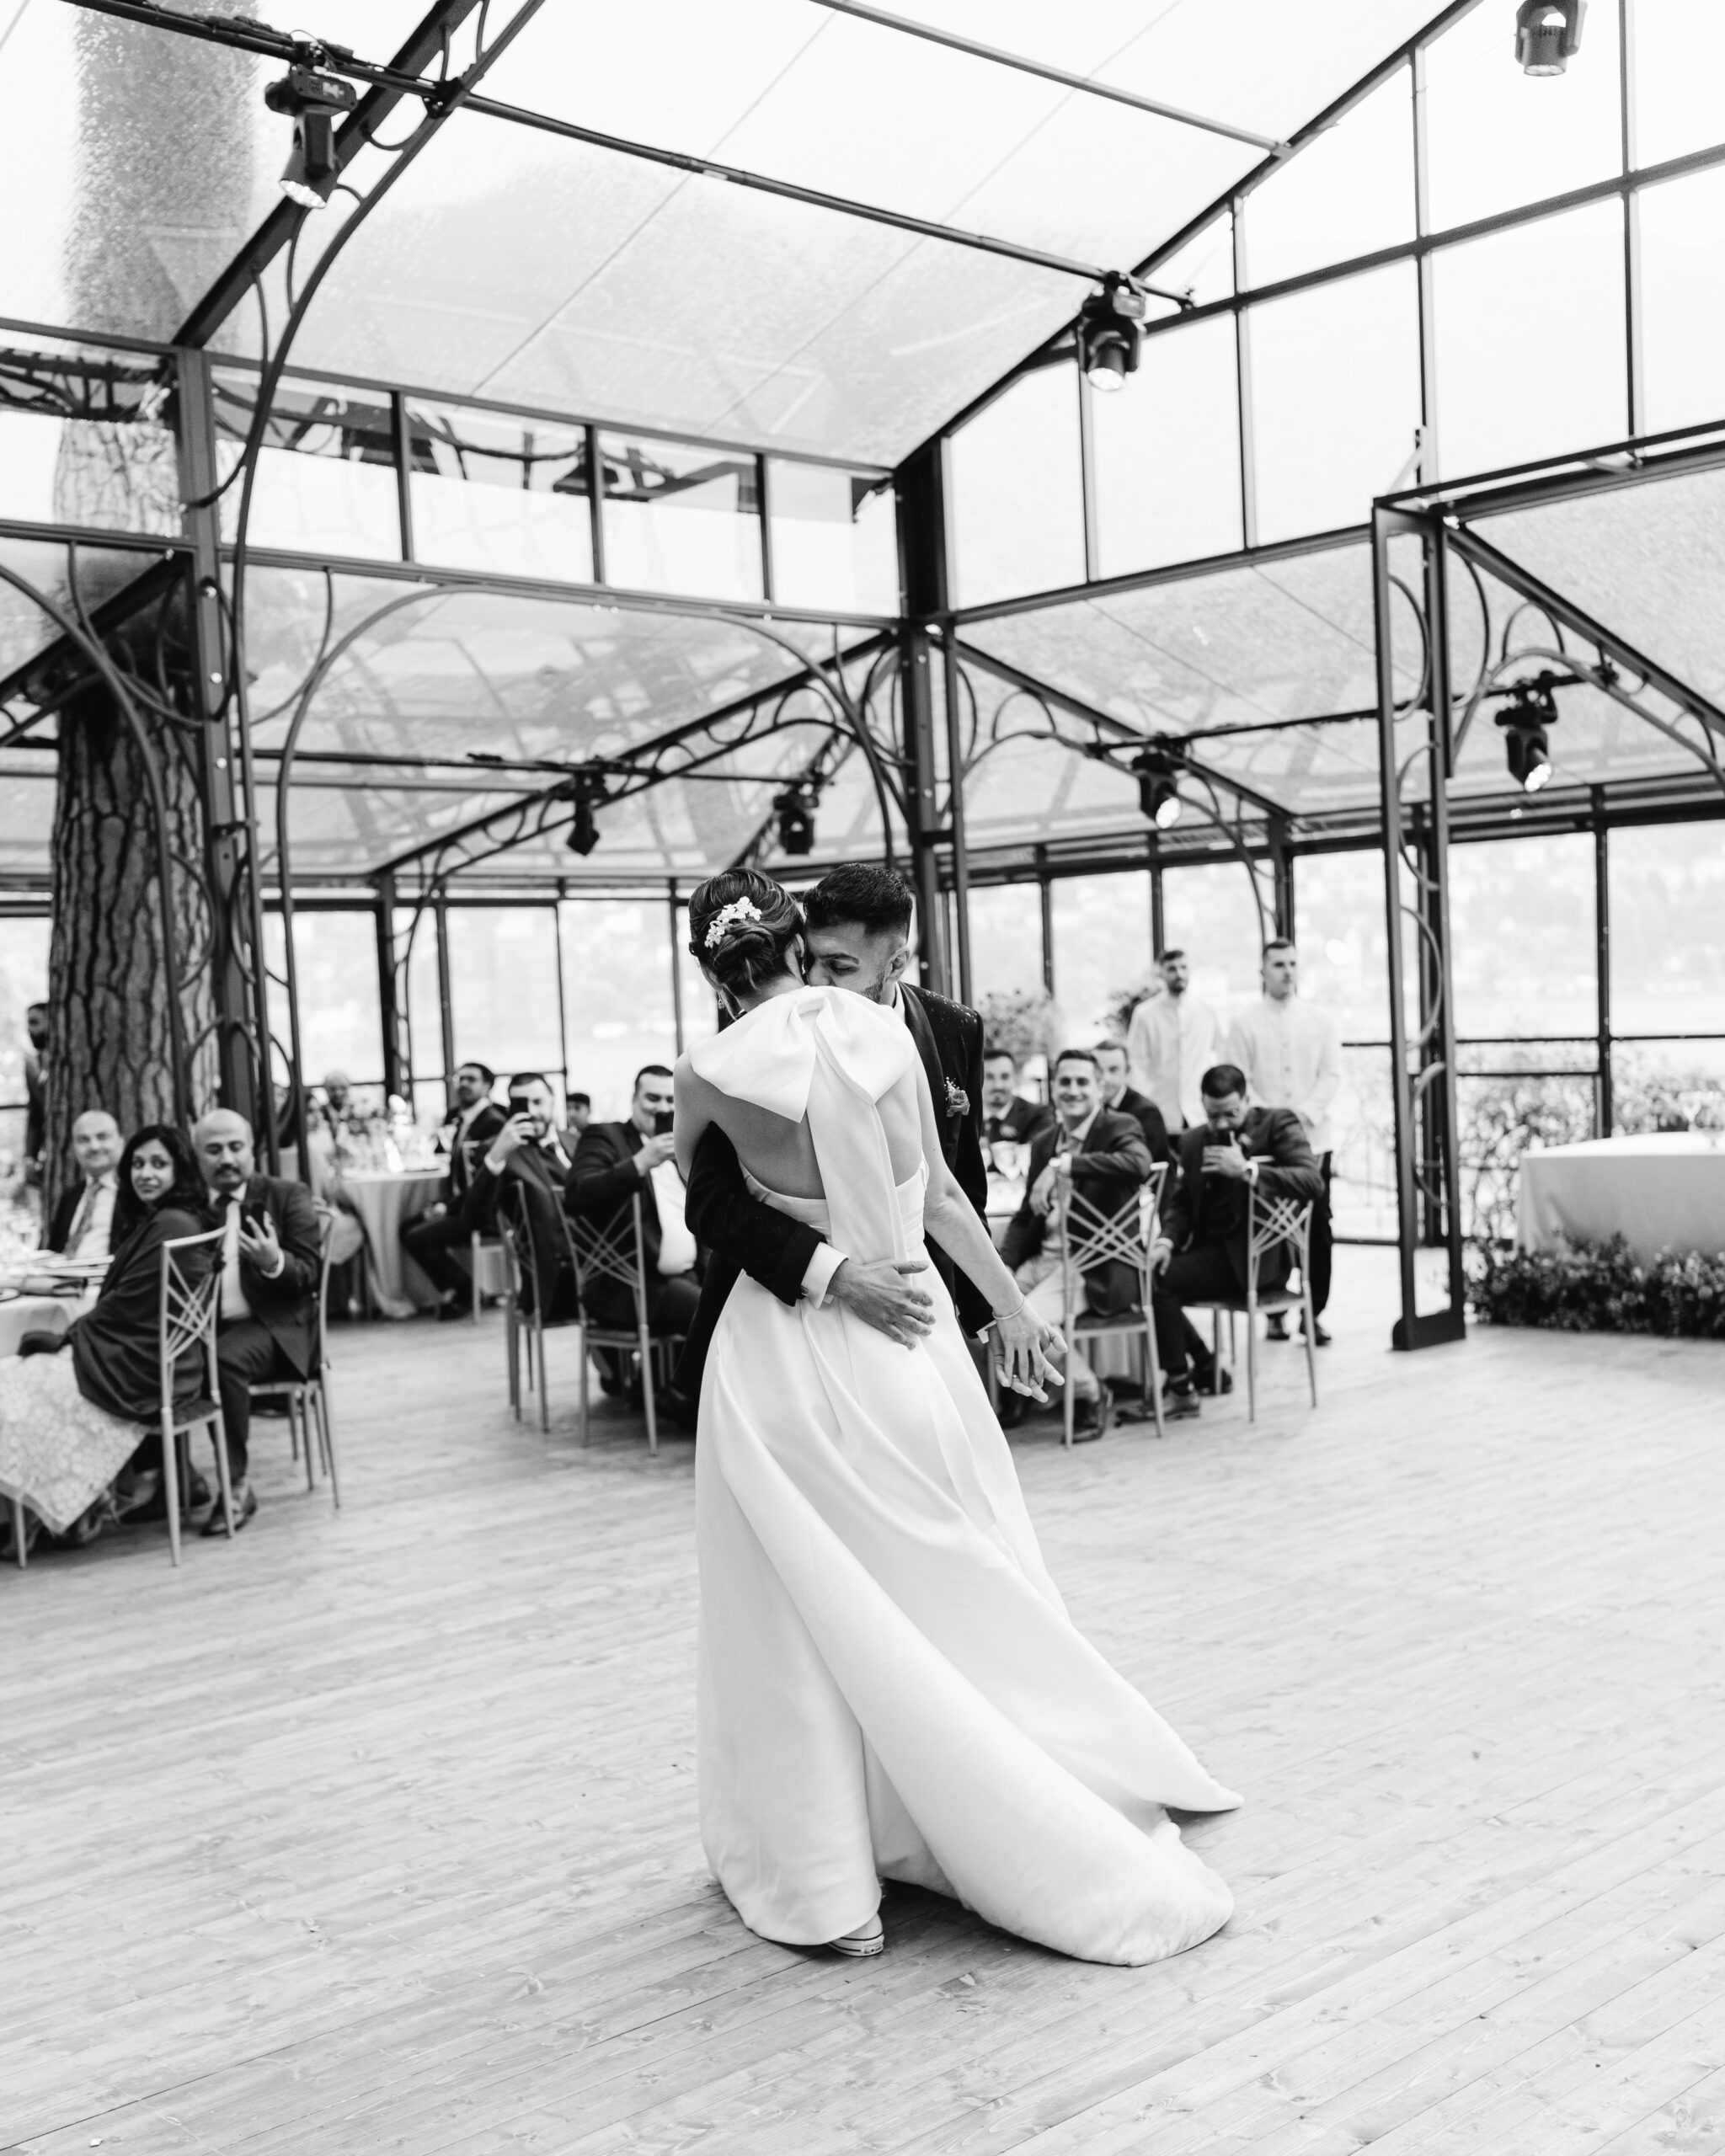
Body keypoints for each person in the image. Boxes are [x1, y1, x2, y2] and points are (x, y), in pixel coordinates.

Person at [672, 869, 1237, 1966]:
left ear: (708, 966)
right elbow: (935, 1200)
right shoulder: (885, 1037)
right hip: (911, 1340)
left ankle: (828, 1871)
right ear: (801, 942)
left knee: (788, 1617)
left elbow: (714, 1216)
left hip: (775, 1364)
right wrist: (1018, 1308)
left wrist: (820, 1265)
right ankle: (1019, 1775)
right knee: (955, 1568)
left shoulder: (703, 1076)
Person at [676, 862, 991, 1401]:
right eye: (816, 961)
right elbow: (709, 1203)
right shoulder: (724, 1065)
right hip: (787, 1307)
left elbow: (957, 1180)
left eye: (840, 965)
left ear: (894, 963)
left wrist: (991, 1308)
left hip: (918, 1301)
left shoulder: (950, 1026)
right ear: (797, 947)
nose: (821, 981)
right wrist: (835, 1275)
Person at [0, 1124, 216, 1559]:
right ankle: (47, 1516)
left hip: (140, 1369)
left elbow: (131, 1310)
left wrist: (66, 1337)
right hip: (159, 1358)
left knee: (11, 1390)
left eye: (159, 1164)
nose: (146, 1174)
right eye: (138, 1164)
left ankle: (28, 1522)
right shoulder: (170, 1218)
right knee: (15, 1376)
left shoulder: (170, 1224)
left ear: (180, 1169)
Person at [1150, 1064, 1323, 1419]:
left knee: (1157, 1283)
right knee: (1148, 1270)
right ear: (1201, 1105)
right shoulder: (1194, 1140)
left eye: (1232, 1113)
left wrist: (1247, 1170)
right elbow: (1181, 1202)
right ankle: (1205, 1365)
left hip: (1260, 1261)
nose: (1222, 1124)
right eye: (1213, 1116)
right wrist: (1166, 1240)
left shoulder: (1277, 1124)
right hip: (1208, 1254)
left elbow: (1311, 1181)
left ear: (1247, 1099)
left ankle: (1184, 1386)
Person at [998, 1048, 1156, 1440]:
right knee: (987, 1304)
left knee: (1032, 1322)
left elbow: (1138, 1166)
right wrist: (1001, 1265)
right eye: (1064, 1082)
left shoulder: (1119, 1127)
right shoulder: (1045, 1140)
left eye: (1082, 1081)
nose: (1072, 1090)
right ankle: (1028, 1391)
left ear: (1100, 1087)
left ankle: (1090, 1393)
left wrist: (1065, 1166)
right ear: (1053, 1090)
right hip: (1044, 1258)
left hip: (1092, 1264)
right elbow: (1025, 1214)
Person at [195, 1107, 323, 1534]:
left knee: (222, 1360)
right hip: (204, 1327)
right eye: (214, 1150)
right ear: (198, 1157)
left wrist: (274, 1263)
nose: (226, 1158)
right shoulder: (192, 1206)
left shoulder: (287, 1195)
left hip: (273, 1326)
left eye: (235, 1147)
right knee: (151, 1357)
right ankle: (162, 1482)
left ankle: (235, 1487)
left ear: (252, 1150)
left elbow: (310, 1273)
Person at [1226, 940, 1343, 1346]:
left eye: (1293, 963)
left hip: (1315, 1142)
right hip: (1264, 1148)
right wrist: (1274, 1124)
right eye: (1278, 964)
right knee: (1270, 1230)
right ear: (1263, 971)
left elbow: (1331, 1075)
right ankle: (1274, 1312)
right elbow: (1238, 1084)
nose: (1287, 971)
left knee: (1318, 1229)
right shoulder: (1243, 1023)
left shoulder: (1321, 1019)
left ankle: (1314, 1313)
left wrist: (1300, 1116)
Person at [568, 1066, 703, 1403]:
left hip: (689, 1273)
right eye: (652, 1098)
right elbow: (578, 1194)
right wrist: (640, 1162)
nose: (661, 1108)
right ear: (633, 1100)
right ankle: (679, 1400)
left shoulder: (685, 1144)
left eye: (671, 1099)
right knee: (711, 1314)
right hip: (635, 1282)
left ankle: (671, 1390)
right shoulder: (605, 1137)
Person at [460, 1072, 576, 1321]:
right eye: (522, 1104)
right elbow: (474, 1219)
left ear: (553, 1101)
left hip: (613, 1267)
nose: (532, 1112)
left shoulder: (578, 1142)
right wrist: (498, 1153)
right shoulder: (501, 1151)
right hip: (555, 1278)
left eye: (538, 1102)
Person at [401, 1061, 506, 1320]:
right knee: (406, 1227)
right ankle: (457, 1289)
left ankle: (464, 1291)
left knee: (417, 1237)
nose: (464, 1085)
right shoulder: (459, 1117)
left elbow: (484, 1183)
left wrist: (448, 1207)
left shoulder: (492, 1123)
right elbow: (457, 1172)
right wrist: (444, 1202)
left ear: (487, 1086)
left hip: (483, 1212)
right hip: (460, 1203)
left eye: (471, 1079)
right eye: (460, 1079)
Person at [1127, 949, 1219, 1134]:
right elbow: (1136, 1063)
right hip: (1160, 1109)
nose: (1179, 974)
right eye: (1172, 969)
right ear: (1161, 973)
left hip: (1198, 1111)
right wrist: (1144, 1107)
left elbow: (1219, 1056)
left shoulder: (1206, 1012)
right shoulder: (1145, 1014)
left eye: (1184, 967)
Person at [43, 1109, 124, 1260]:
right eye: (84, 1140)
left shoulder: (134, 1194)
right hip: (61, 1278)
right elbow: (54, 1250)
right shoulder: (71, 1196)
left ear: (120, 1141)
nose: (94, 1146)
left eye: (102, 1137)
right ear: (74, 1148)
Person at [1092, 1040, 1173, 1166]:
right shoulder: (1094, 1107)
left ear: (1127, 1072)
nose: (1105, 1078)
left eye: (1113, 1070)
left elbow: (1150, 1166)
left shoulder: (1146, 1112)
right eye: (1099, 1071)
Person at [980, 1047, 1054, 1157]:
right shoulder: (965, 1117)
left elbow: (1040, 1156)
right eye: (989, 1077)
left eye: (1005, 1077)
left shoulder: (1038, 1115)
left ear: (1015, 1078)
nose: (998, 1085)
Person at [23, 1001, 48, 1192]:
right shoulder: (33, 1065)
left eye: (34, 1022)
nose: (29, 1030)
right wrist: (30, 1156)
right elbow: (35, 1115)